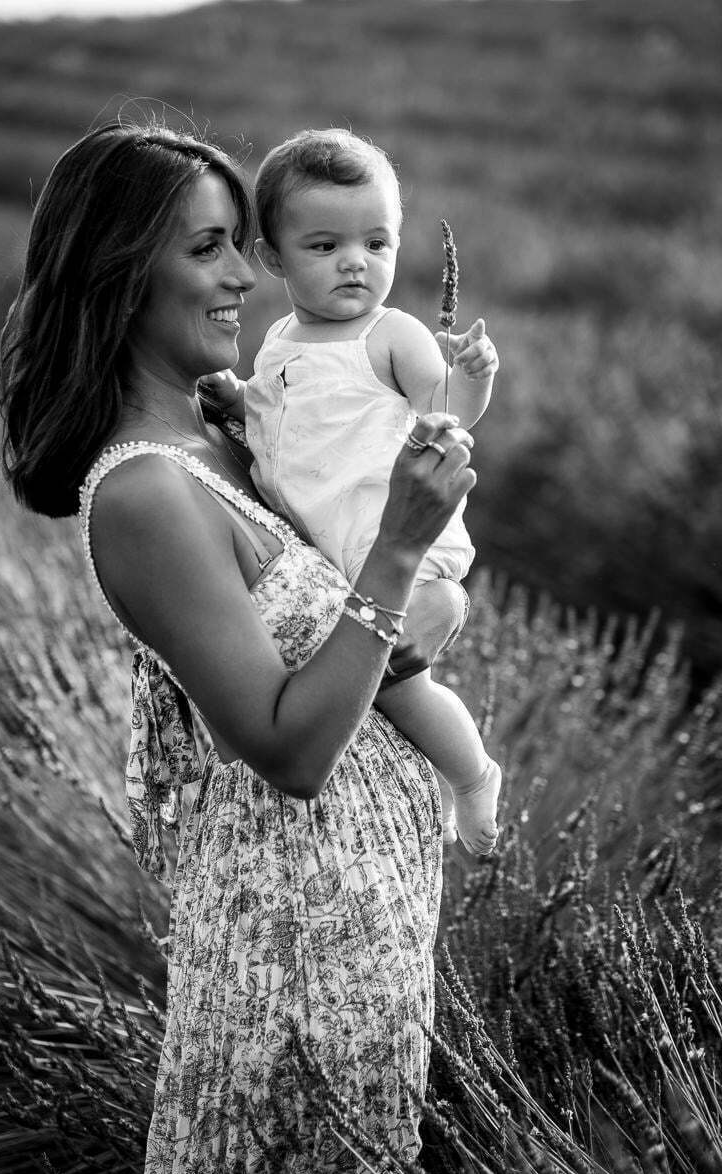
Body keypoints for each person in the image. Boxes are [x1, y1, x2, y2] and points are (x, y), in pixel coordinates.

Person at [0, 119, 478, 1174]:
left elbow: (361, 631)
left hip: (366, 924)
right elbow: (284, 748)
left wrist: (426, 598)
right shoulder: (144, 491)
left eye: (239, 244)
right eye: (207, 248)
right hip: (289, 950)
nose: (245, 278)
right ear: (123, 271)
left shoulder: (226, 431)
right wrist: (400, 554)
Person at [206, 128, 501, 853]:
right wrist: (236, 399)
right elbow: (281, 417)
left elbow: (446, 412)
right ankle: (414, 778)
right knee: (354, 688)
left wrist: (471, 378)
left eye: (376, 243)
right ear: (273, 258)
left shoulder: (391, 334)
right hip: (331, 555)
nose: (355, 262)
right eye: (325, 245)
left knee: (394, 683)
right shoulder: (279, 339)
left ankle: (471, 775)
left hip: (387, 543)